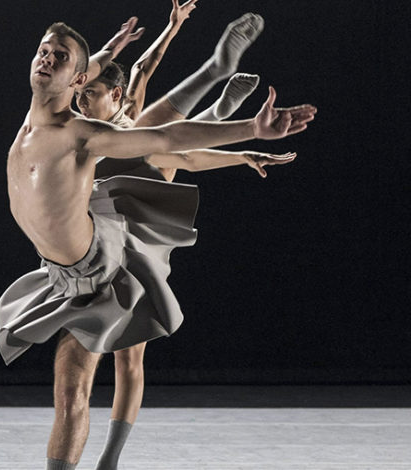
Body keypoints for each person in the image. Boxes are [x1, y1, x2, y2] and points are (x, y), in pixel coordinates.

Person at [0, 20, 315, 470]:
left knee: (80, 390)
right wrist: (113, 45)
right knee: (70, 393)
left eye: (60, 57)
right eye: (44, 52)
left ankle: (219, 94)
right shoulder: (36, 116)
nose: (47, 60)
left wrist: (250, 134)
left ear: (80, 78)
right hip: (64, 271)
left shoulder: (83, 134)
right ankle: (218, 92)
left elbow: (172, 142)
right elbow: (103, 67)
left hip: (99, 272)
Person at [72, 8, 295, 469]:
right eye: (81, 95)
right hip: (103, 240)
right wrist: (170, 29)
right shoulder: (86, 128)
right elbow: (141, 72)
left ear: (111, 95)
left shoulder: (129, 114)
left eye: (89, 94)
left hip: (138, 237)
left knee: (129, 363)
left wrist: (245, 154)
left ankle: (109, 461)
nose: (80, 103)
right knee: (160, 140)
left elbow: (145, 80)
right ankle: (218, 105)